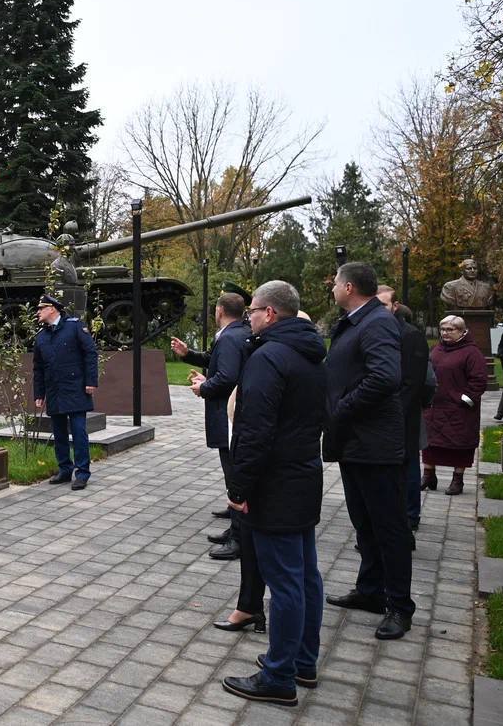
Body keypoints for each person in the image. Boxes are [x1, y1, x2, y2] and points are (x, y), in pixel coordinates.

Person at [219, 280, 326, 707]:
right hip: (303, 475)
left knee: (284, 582)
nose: (249, 319)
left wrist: (239, 486)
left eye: (254, 312)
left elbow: (253, 430)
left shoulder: (269, 357)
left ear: (271, 314)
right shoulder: (312, 353)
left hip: (275, 483)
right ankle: (303, 660)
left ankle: (279, 676)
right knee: (306, 575)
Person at [322, 262, 414, 640]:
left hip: (374, 442)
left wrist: (342, 407)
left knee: (388, 526)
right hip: (354, 442)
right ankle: (371, 590)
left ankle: (399, 606)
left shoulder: (375, 321)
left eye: (335, 282)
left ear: (348, 288)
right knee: (365, 522)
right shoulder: (356, 321)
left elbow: (385, 377)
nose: (333, 288)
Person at [171, 293, 252, 561]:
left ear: (219, 310)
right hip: (233, 412)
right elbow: (219, 363)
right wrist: (189, 355)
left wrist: (204, 387)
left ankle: (239, 538)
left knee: (233, 472)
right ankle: (235, 526)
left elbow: (227, 376)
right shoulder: (237, 332)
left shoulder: (230, 337)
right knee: (233, 472)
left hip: (227, 414)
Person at [376, 285, 431, 538]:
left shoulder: (410, 335)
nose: (380, 310)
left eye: (384, 305)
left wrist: (395, 410)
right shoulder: (375, 332)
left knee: (407, 467)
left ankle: (409, 517)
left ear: (395, 306)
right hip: (379, 417)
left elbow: (416, 382)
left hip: (403, 415)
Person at [33, 294, 98, 490]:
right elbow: (38, 368)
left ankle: (82, 473)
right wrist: (39, 394)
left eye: (41, 309)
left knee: (79, 432)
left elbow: (90, 353)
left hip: (76, 388)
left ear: (52, 309)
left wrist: (91, 381)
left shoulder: (74, 326)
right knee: (59, 433)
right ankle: (65, 469)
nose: (38, 312)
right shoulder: (41, 337)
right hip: (55, 391)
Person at [424, 315, 489, 494]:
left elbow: (479, 380)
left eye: (450, 330)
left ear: (462, 331)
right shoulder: (436, 349)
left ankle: (457, 480)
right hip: (435, 406)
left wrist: (465, 399)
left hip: (460, 409)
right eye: (443, 329)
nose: (445, 333)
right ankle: (429, 475)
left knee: (460, 444)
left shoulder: (472, 352)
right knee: (429, 442)